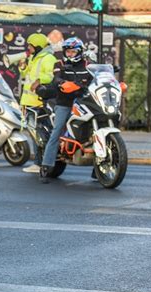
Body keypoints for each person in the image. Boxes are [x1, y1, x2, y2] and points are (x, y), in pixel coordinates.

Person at [38, 37, 92, 183]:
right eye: (68, 52)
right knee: (57, 131)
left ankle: (98, 169)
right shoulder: (59, 63)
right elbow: (56, 79)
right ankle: (46, 167)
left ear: (80, 52)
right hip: (65, 102)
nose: (70, 55)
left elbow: (97, 75)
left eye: (73, 52)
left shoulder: (88, 64)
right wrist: (62, 83)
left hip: (85, 101)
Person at [18, 33, 57, 174]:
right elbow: (26, 76)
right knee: (35, 134)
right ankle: (40, 162)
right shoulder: (33, 58)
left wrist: (40, 80)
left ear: (38, 46)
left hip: (39, 102)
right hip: (29, 101)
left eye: (31, 45)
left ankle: (40, 163)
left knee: (40, 134)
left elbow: (52, 75)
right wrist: (23, 67)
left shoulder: (48, 58)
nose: (28, 48)